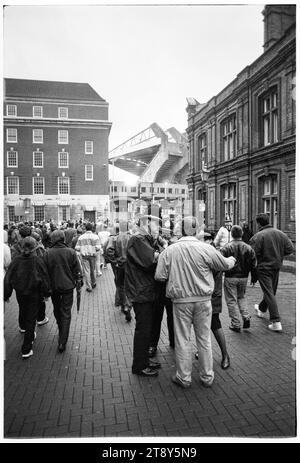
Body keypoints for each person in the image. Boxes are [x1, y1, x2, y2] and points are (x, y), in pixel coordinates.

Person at [155, 217, 236, 389]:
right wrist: (233, 260)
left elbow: (159, 276)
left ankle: (184, 377)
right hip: (203, 301)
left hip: (181, 301)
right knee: (204, 338)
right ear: (197, 229)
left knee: (183, 339)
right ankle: (207, 376)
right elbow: (225, 264)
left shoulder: (170, 250)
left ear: (181, 230)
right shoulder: (206, 248)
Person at [125, 215, 162, 377]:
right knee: (143, 329)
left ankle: (145, 360)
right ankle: (139, 366)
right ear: (147, 225)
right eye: (156, 226)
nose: (158, 230)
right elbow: (151, 261)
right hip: (141, 291)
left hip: (145, 290)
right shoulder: (137, 239)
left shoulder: (144, 240)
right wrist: (162, 252)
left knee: (147, 328)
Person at [4, 236, 51, 358]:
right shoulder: (37, 261)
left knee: (23, 309)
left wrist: (6, 294)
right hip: (34, 293)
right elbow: (45, 278)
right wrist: (46, 294)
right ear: (35, 247)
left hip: (20, 292)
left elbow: (8, 278)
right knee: (31, 318)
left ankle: (23, 327)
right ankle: (26, 348)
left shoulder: (16, 261)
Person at [249, 213, 294, 332]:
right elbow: (290, 249)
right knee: (271, 291)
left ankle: (276, 321)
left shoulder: (258, 236)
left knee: (269, 292)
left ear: (258, 223)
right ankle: (262, 309)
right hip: (276, 266)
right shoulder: (281, 234)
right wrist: (278, 255)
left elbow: (252, 254)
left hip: (264, 268)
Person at [195, 231, 230, 369]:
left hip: (212, 296)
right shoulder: (204, 253)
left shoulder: (213, 254)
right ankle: (202, 350)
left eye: (202, 240)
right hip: (202, 295)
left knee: (215, 325)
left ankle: (225, 355)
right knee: (200, 325)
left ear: (209, 241)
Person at [44, 230, 82, 352]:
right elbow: (77, 269)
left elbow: (44, 272)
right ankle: (62, 340)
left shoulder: (47, 253)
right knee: (66, 312)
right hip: (67, 286)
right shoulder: (70, 252)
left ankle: (61, 330)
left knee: (57, 309)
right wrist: (78, 280)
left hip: (54, 286)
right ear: (63, 238)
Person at [220, 225, 257, 332]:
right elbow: (254, 264)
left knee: (231, 300)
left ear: (231, 234)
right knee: (241, 297)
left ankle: (235, 323)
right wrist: (254, 278)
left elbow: (220, 262)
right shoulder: (248, 248)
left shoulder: (226, 247)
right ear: (242, 234)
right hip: (244, 277)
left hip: (230, 277)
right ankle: (245, 316)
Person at [106, 222, 132, 322]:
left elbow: (109, 251)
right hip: (130, 266)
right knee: (130, 285)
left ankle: (124, 305)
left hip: (120, 265)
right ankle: (128, 305)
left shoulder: (114, 238)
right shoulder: (132, 238)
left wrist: (115, 261)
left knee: (120, 285)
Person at [75, 222, 101, 292]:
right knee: (93, 270)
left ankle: (89, 287)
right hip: (92, 255)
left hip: (84, 256)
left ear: (85, 228)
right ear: (92, 228)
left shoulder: (81, 237)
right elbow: (98, 247)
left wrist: (83, 249)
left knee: (87, 271)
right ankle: (94, 282)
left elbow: (77, 248)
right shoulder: (95, 237)